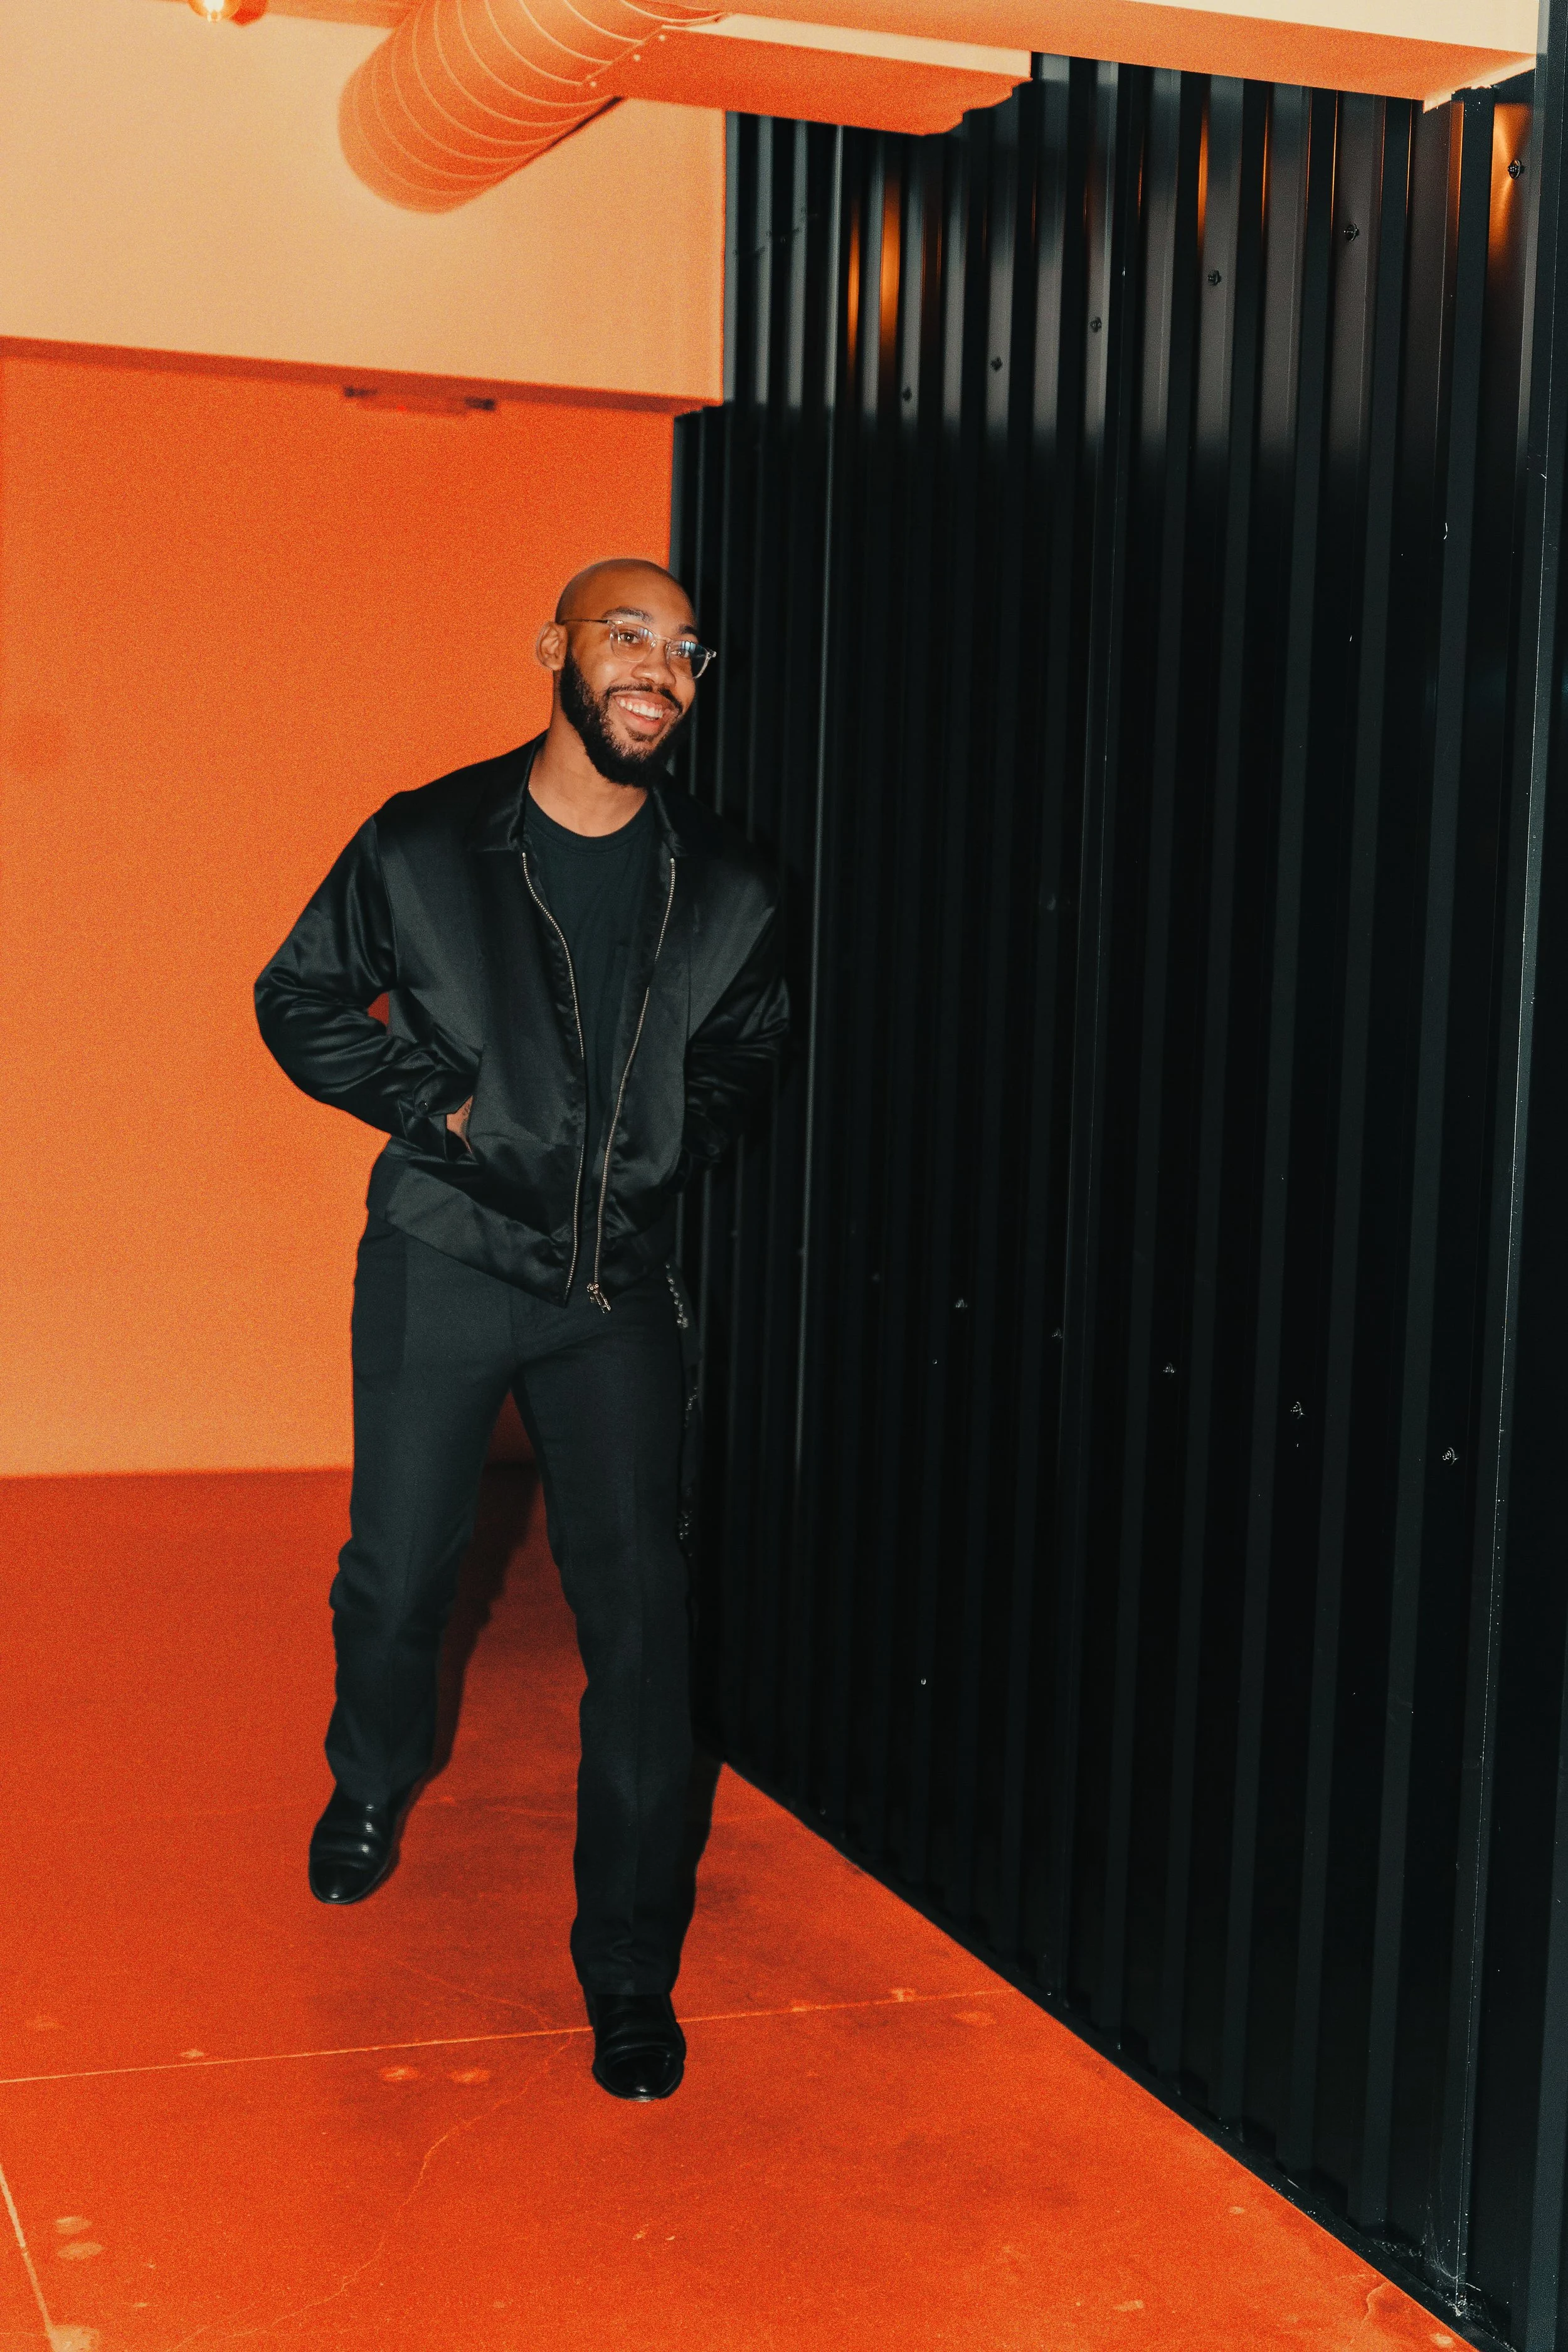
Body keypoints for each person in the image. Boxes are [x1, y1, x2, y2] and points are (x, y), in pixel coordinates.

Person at [255, 559, 787, 2100]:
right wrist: (442, 1107)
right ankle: (369, 1780)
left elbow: (749, 1039)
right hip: (443, 1255)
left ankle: (625, 1964)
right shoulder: (428, 841)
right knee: (400, 1568)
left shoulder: (730, 880)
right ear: (552, 650)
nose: (660, 670)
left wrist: (687, 1132)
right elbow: (297, 997)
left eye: (686, 651)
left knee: (641, 1621)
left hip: (615, 1285)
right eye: (628, 636)